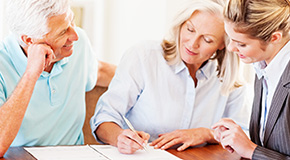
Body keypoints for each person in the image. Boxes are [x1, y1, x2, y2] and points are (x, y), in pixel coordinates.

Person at [90, 0, 251, 154]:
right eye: (190, 29)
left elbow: (245, 134)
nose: (192, 43)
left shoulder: (229, 78)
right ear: (181, 24)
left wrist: (207, 134)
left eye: (207, 39)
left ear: (223, 44)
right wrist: (120, 137)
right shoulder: (144, 57)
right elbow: (104, 118)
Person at [0, 0, 116, 157]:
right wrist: (31, 74)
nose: (75, 35)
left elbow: (100, 71)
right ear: (29, 40)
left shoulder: (78, 44)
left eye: (72, 20)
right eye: (62, 32)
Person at [212, 0, 290, 159]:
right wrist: (238, 138)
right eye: (230, 39)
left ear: (274, 38)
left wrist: (250, 150)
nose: (231, 48)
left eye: (241, 43)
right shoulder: (262, 66)